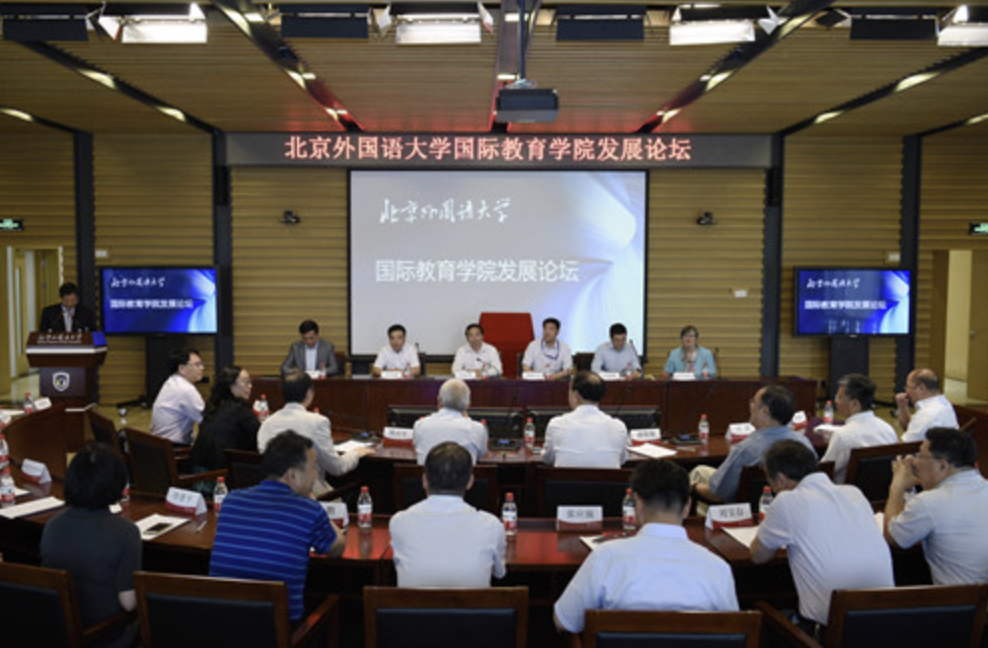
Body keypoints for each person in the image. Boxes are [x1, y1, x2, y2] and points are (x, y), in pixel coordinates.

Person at [553, 459, 738, 634]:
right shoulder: (718, 569)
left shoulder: (606, 557)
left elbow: (564, 622)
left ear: (638, 503)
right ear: (687, 506)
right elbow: (733, 634)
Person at [751, 440, 894, 637]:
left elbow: (758, 556)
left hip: (830, 634)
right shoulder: (854, 493)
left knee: (761, 613)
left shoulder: (787, 501)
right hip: (887, 625)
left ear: (781, 480)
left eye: (770, 481)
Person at [210, 431, 346, 622]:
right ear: (292, 474)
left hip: (220, 624)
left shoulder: (232, 500)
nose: (315, 476)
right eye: (313, 468)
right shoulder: (308, 510)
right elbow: (337, 548)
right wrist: (314, 502)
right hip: (279, 631)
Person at [41, 443, 140, 648]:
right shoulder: (126, 531)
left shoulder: (52, 526)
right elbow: (129, 603)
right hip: (107, 637)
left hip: (59, 634)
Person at [390, 442, 506, 587]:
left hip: (413, 603)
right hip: (473, 603)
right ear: (470, 482)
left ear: (424, 480)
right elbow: (499, 573)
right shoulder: (492, 526)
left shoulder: (399, 522)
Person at [884, 427, 988, 585]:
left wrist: (897, 486)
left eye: (920, 455)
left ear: (942, 466)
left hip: (961, 599)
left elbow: (894, 538)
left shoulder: (929, 502)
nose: (914, 462)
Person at [691, 385, 815, 504]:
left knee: (697, 473)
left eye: (753, 402)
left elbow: (718, 494)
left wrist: (693, 486)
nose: (750, 405)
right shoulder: (805, 443)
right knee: (701, 471)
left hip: (740, 511)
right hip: (791, 507)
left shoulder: (745, 449)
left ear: (765, 412)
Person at [257, 371, 374, 497]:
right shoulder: (317, 422)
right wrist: (356, 453)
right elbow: (336, 468)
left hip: (272, 496)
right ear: (309, 393)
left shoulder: (266, 423)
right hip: (309, 494)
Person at [820, 373, 898, 483]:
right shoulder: (888, 429)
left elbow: (824, 472)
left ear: (855, 404)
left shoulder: (843, 436)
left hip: (847, 492)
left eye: (839, 397)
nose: (836, 401)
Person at [542, 371, 629, 468]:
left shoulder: (557, 424)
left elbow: (547, 459)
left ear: (575, 395)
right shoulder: (618, 427)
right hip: (608, 478)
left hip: (565, 478)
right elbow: (622, 459)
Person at [190, 365, 260, 471]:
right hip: (220, 474)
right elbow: (259, 435)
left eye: (250, 382)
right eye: (246, 382)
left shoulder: (213, 406)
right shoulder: (241, 410)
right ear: (231, 386)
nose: (250, 386)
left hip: (196, 468)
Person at [413, 378, 488, 465]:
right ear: (468, 405)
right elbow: (481, 454)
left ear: (439, 400)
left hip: (429, 474)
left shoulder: (420, 425)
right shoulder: (477, 429)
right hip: (463, 474)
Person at [150, 347, 205, 446]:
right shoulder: (186, 389)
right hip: (173, 448)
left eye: (201, 364)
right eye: (197, 364)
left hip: (159, 445)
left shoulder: (172, 381)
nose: (202, 368)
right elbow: (206, 419)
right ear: (182, 369)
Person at [895, 368, 958, 442]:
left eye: (908, 387)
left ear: (921, 389)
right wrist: (902, 407)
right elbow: (909, 426)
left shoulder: (927, 414)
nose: (906, 391)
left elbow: (907, 445)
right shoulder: (944, 404)